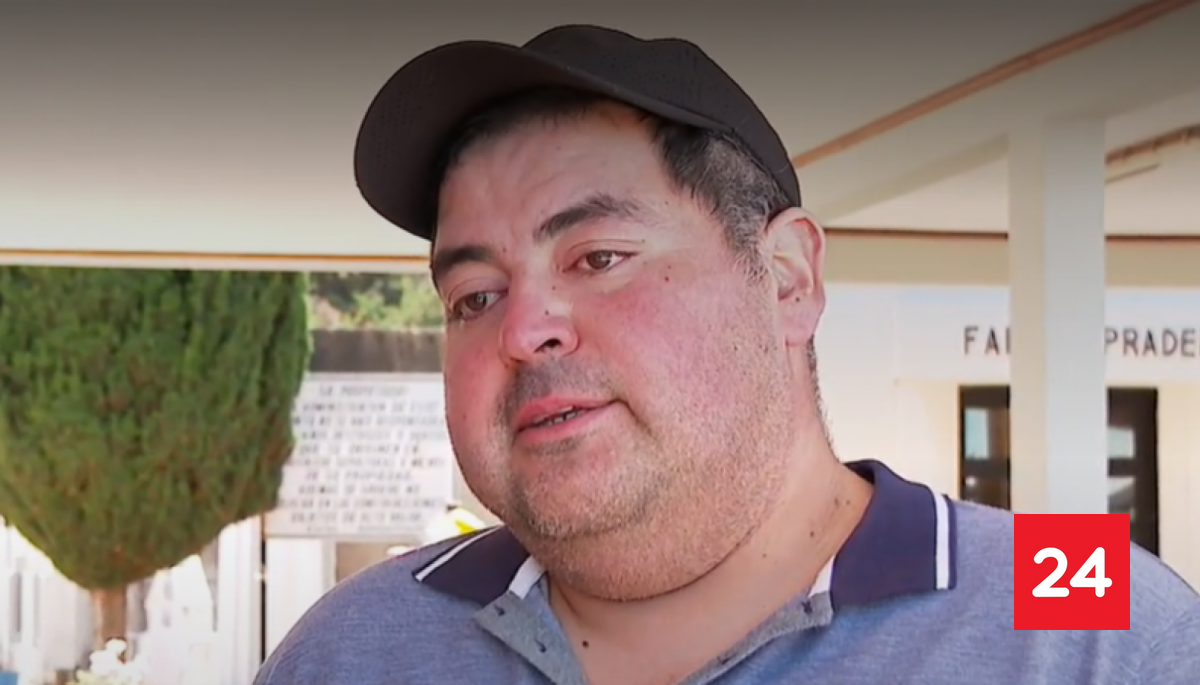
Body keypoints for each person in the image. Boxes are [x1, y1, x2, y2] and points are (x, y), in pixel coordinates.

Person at [254, 24, 1200, 685]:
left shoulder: (1097, 617)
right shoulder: (351, 648)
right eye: (475, 295)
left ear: (786, 278)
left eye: (598, 257)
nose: (522, 329)